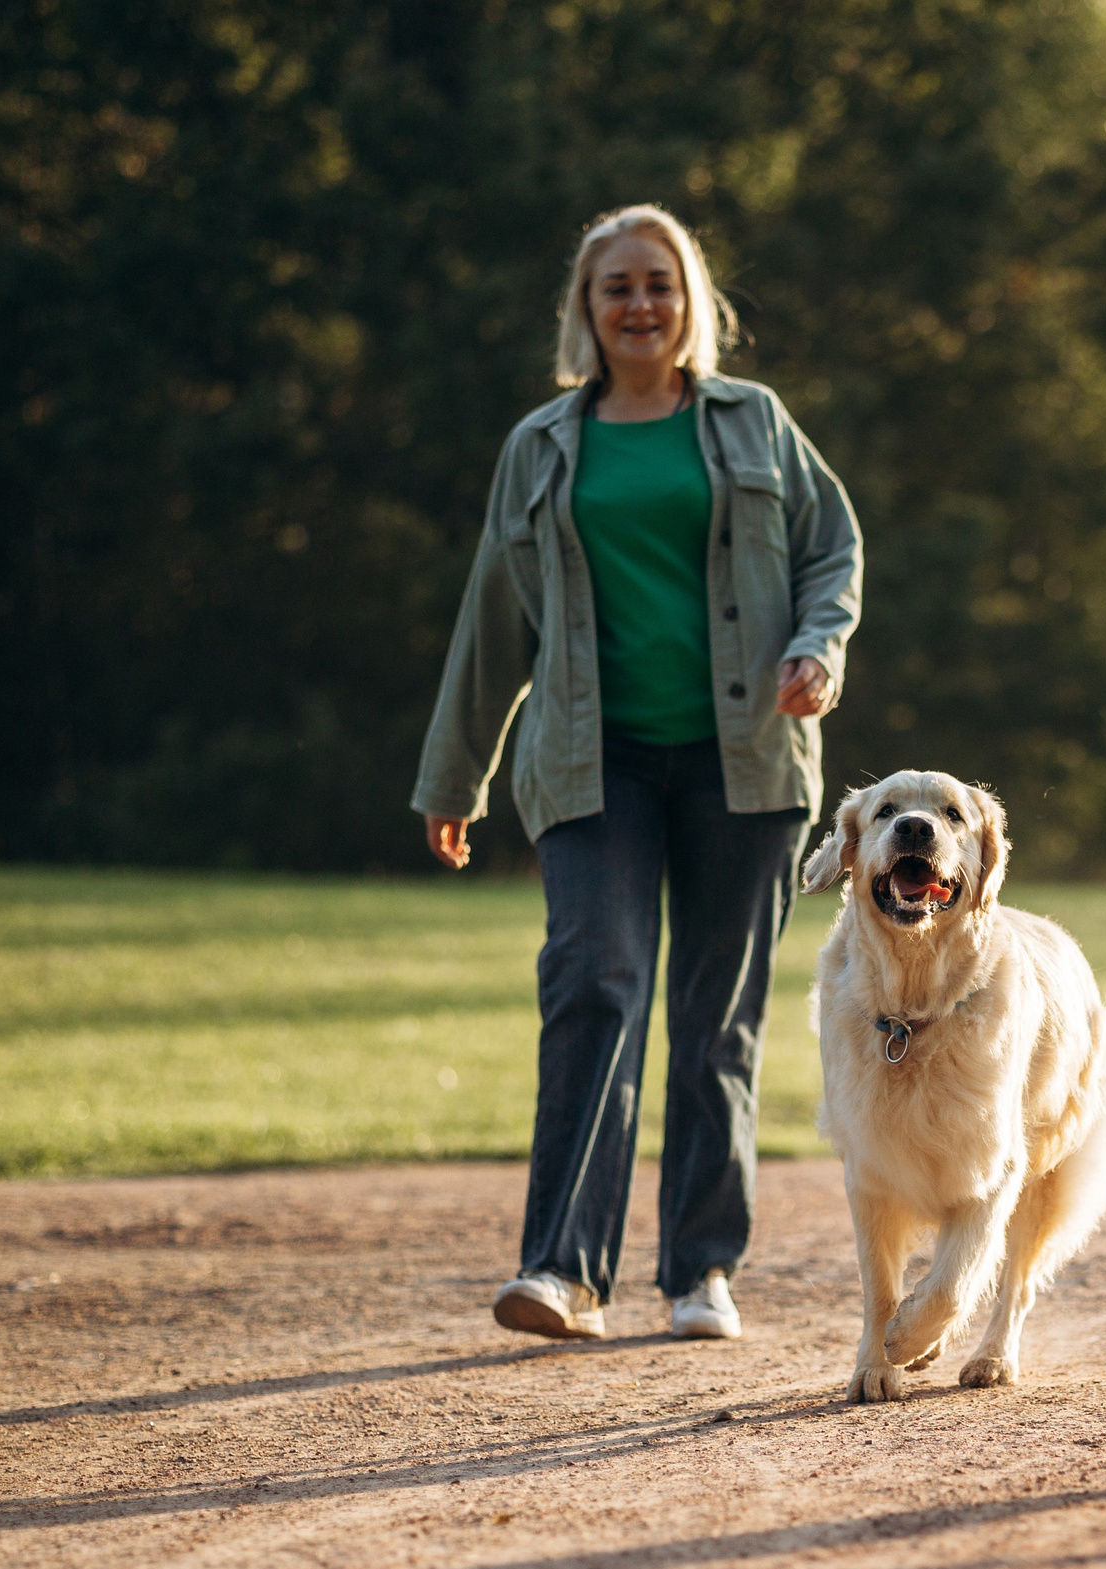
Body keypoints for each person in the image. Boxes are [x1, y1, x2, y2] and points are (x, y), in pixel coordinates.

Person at [411, 204, 861, 1342]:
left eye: (659, 282)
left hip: (745, 764)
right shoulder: (541, 445)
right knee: (593, 983)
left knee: (716, 1023)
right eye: (617, 285)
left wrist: (819, 645)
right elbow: (492, 617)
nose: (640, 303)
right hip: (589, 760)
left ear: (689, 300)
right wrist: (454, 778)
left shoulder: (754, 422)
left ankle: (701, 1271)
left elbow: (832, 550)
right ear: (587, 308)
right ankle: (562, 1270)